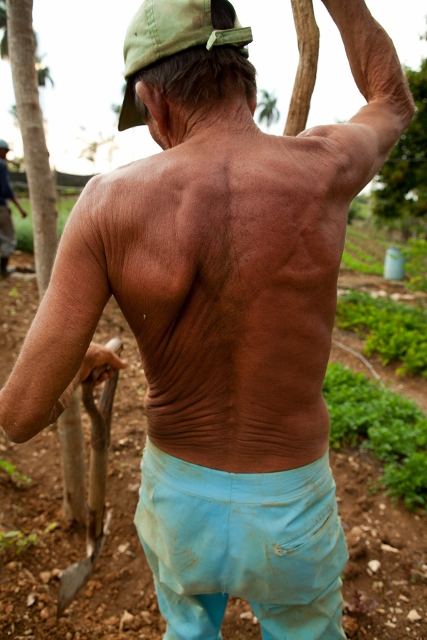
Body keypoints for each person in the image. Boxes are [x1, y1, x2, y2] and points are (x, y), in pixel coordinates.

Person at [0, 0, 414, 638]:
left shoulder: (107, 203)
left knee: (188, 631)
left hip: (180, 504)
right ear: (244, 80)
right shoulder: (324, 168)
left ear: (154, 100)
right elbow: (391, 98)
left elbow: (20, 414)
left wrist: (69, 372)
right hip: (291, 506)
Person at [0, 139, 28, 277]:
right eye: (5, 151)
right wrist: (20, 208)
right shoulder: (1, 165)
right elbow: (6, 190)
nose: (6, 154)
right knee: (8, 238)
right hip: (1, 207)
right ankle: (3, 270)